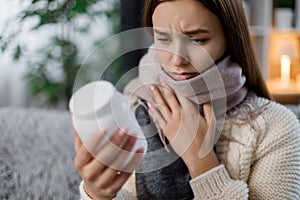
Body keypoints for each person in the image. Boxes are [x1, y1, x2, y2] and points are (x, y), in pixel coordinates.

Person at [73, 0, 300, 199]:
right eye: (163, 38)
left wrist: (200, 160)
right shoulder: (136, 106)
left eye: (197, 40)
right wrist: (98, 195)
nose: (176, 59)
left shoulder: (276, 127)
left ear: (231, 37)